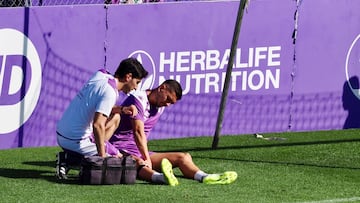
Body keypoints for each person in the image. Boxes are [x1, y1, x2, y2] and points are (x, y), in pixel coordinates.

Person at [109, 79, 237, 186]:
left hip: (141, 151)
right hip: (118, 149)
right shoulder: (138, 100)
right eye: (168, 99)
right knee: (139, 162)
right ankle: (162, 178)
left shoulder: (160, 106)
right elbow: (138, 132)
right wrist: (146, 158)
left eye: (171, 103)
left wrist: (146, 156)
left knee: (184, 157)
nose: (168, 105)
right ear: (162, 88)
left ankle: (204, 177)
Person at [55, 58, 148, 179]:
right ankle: (68, 160)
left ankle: (79, 156)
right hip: (74, 139)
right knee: (115, 160)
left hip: (63, 131)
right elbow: (97, 125)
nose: (136, 88)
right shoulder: (110, 92)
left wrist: (122, 109)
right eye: (137, 82)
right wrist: (102, 157)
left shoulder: (101, 74)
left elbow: (98, 104)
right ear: (128, 77)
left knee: (116, 117)